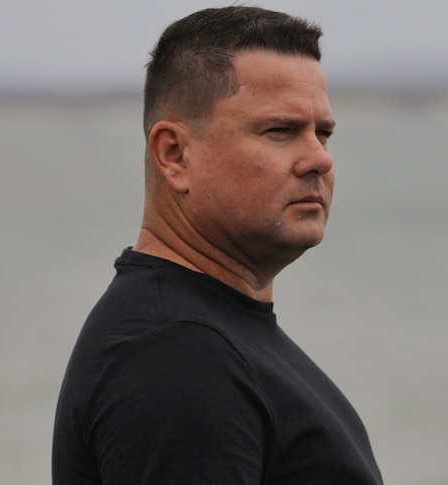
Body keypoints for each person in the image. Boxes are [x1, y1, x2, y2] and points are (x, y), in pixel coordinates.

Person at [52, 6, 383, 484]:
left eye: (323, 134)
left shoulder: (206, 337)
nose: (318, 160)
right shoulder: (175, 356)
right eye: (281, 131)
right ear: (174, 154)